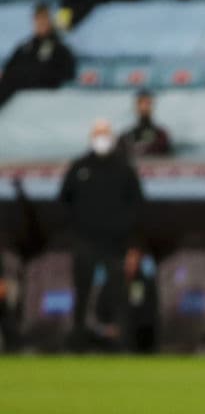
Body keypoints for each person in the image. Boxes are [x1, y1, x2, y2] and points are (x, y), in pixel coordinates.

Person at [59, 119, 144, 351]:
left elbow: (137, 207)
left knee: (119, 295)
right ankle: (78, 344)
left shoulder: (123, 168)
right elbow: (64, 202)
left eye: (105, 133)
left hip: (116, 243)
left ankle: (123, 345)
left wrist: (133, 244)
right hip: (85, 241)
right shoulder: (79, 167)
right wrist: (76, 230)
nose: (102, 138)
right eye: (98, 133)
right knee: (82, 294)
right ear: (91, 137)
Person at [0, 4, 76, 109]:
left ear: (50, 21)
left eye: (44, 19)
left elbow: (68, 72)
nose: (41, 23)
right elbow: (10, 66)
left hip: (40, 84)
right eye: (38, 19)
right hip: (16, 81)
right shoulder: (26, 46)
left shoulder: (58, 47)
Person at [120, 89, 173, 157]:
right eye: (140, 103)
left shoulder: (161, 136)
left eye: (147, 103)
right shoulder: (126, 137)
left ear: (152, 106)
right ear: (135, 107)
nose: (144, 107)